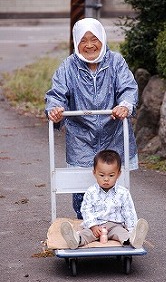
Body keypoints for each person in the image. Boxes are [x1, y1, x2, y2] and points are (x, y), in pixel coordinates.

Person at [45, 18, 138, 219]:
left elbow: (128, 89)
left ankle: (117, 226)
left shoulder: (116, 62)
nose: (89, 45)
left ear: (102, 39)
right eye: (83, 40)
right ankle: (86, 225)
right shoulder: (68, 66)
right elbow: (56, 94)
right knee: (81, 189)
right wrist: (55, 109)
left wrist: (124, 105)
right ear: (76, 42)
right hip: (81, 138)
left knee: (114, 185)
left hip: (113, 133)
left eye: (94, 39)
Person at [60, 150, 149, 249]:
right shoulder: (91, 192)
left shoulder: (123, 193)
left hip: (115, 225)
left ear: (118, 174)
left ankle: (133, 239)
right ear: (94, 173)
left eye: (111, 175)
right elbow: (86, 210)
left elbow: (129, 212)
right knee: (86, 234)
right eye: (102, 175)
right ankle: (76, 239)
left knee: (122, 234)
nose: (106, 179)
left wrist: (132, 229)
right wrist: (93, 226)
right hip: (96, 225)